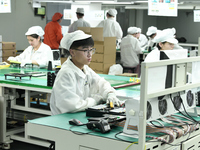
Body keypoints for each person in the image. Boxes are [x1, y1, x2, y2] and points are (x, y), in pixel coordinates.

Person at [50, 30, 121, 115]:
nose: (89, 54)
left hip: (79, 115)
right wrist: (95, 100)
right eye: (85, 50)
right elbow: (71, 105)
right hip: (63, 120)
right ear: (72, 52)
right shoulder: (66, 73)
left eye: (91, 50)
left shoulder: (85, 69)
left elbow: (101, 83)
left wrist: (110, 94)